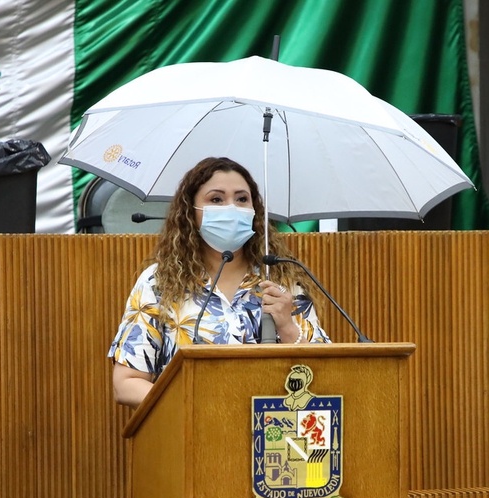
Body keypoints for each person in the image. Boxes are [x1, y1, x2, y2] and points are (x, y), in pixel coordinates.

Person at [109, 156, 331, 407]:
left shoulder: (282, 280)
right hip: (189, 430)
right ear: (190, 212)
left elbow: (324, 374)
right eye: (216, 199)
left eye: (241, 199)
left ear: (254, 210)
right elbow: (126, 383)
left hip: (272, 433)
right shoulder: (159, 281)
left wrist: (288, 327)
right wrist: (194, 405)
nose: (232, 208)